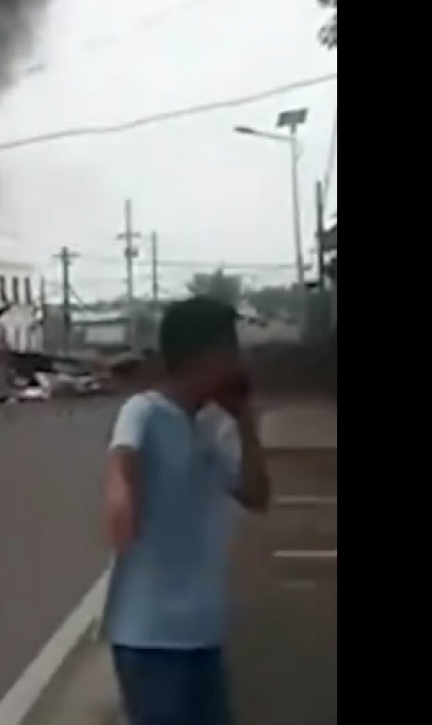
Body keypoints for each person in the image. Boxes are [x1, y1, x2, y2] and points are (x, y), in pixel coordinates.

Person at [101, 295, 271, 725]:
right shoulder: (143, 412)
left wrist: (246, 423)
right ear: (205, 356)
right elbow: (123, 462)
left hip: (202, 637)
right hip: (152, 640)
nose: (239, 360)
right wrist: (121, 498)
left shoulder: (211, 427)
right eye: (231, 349)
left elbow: (256, 495)